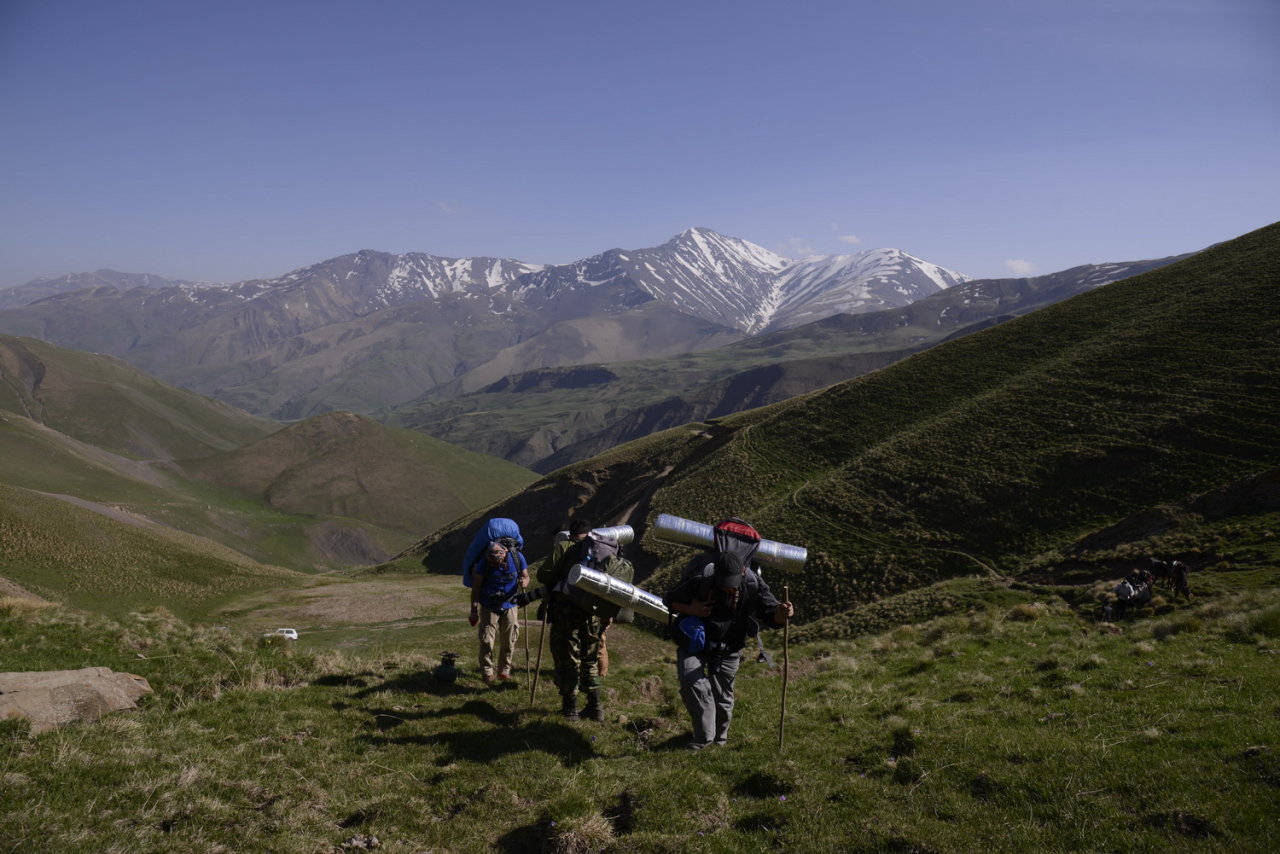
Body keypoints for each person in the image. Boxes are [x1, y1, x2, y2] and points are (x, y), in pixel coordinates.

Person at [664, 517, 794, 750]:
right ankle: (703, 739)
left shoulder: (753, 583)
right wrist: (690, 609)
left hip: (730, 648)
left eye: (733, 586)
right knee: (694, 685)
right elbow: (670, 600)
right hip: (696, 643)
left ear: (743, 573)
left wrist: (782, 613)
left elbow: (770, 613)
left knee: (724, 698)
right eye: (724, 585)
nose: (729, 590)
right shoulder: (701, 577)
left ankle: (720, 740)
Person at [536, 517, 617, 721]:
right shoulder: (603, 548)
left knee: (567, 658)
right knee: (589, 659)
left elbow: (544, 575)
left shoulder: (565, 546)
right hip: (593, 612)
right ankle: (595, 707)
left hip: (567, 611)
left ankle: (570, 709)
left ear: (570, 534)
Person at [469, 540, 529, 683]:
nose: (494, 563)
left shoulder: (517, 558)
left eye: (497, 560)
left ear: (505, 554)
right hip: (489, 606)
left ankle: (504, 671)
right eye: (492, 561)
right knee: (487, 642)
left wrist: (524, 582)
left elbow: (526, 576)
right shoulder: (484, 562)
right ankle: (487, 672)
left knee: (509, 641)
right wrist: (474, 610)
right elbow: (476, 587)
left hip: (510, 605)